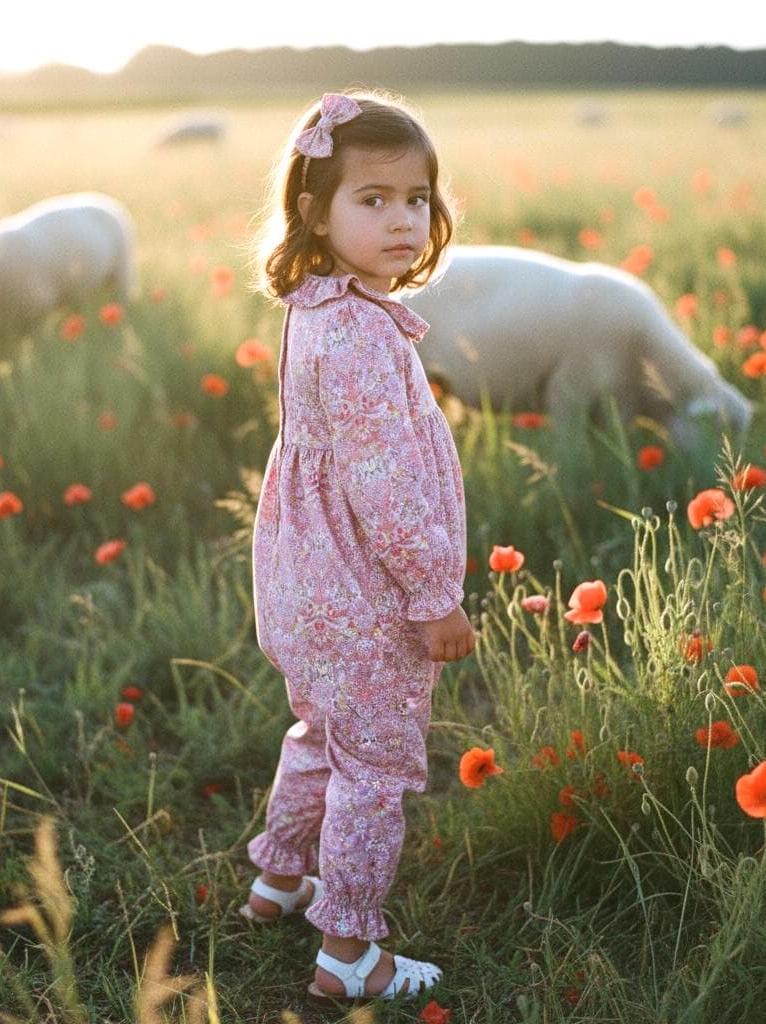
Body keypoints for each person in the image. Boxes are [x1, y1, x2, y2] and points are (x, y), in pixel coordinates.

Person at [240, 90, 476, 1004]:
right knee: (373, 766)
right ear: (315, 211)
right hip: (365, 593)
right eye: (372, 200)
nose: (403, 220)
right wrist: (433, 594)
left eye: (416, 198)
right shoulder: (361, 338)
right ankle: (348, 950)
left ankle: (280, 876)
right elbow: (385, 486)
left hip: (306, 582)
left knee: (322, 731)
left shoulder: (320, 305)